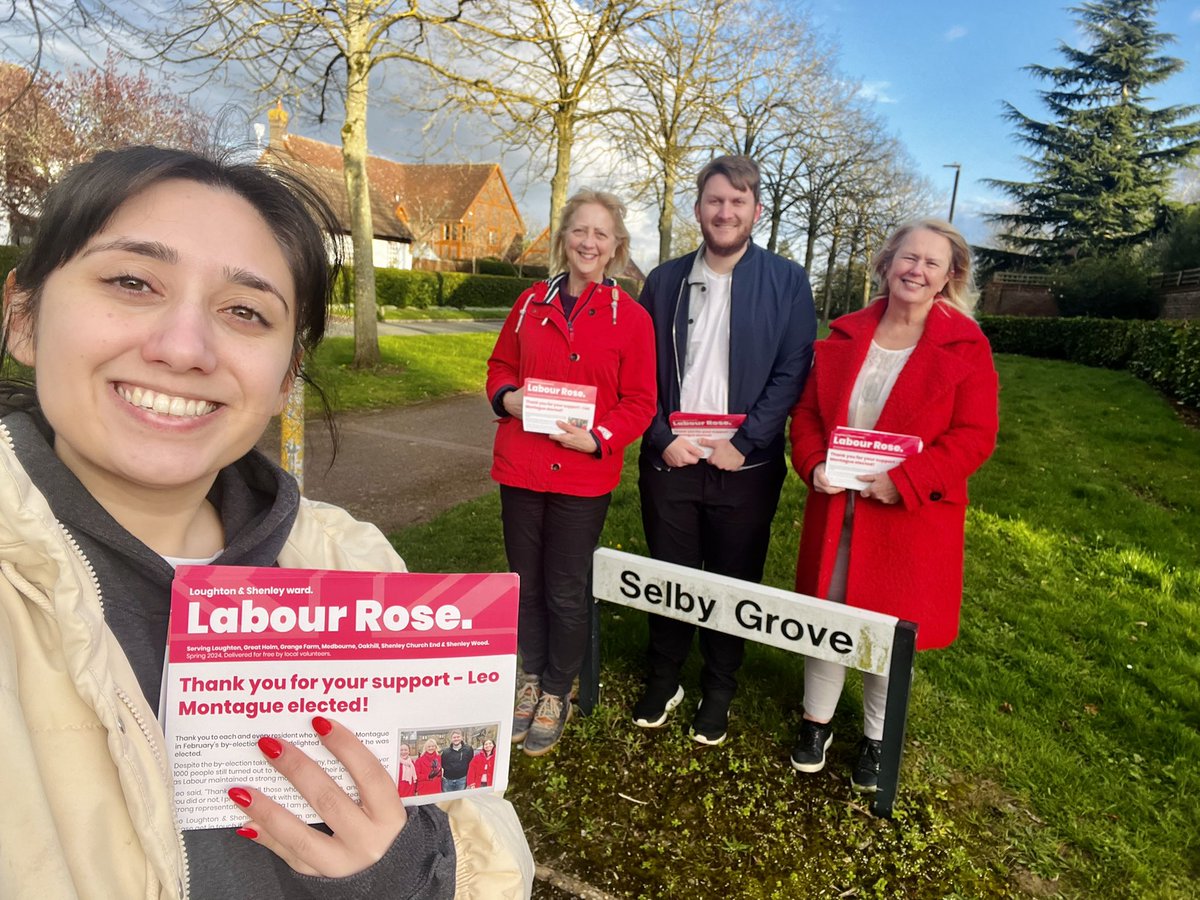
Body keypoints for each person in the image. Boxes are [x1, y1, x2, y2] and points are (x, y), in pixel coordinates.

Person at [0, 146, 533, 899]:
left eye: (245, 311)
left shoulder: (353, 561)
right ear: (23, 316)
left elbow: (490, 845)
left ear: (285, 377)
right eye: (131, 281)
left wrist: (407, 868)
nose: (183, 348)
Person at [788, 218, 999, 791]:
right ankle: (817, 722)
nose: (917, 270)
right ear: (887, 263)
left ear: (949, 277)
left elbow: (976, 435)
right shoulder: (844, 333)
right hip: (837, 507)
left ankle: (880, 737)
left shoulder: (966, 345)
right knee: (826, 616)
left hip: (910, 515)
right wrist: (814, 465)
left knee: (890, 626)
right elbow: (807, 416)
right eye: (908, 258)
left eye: (932, 263)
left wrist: (905, 481)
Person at [634, 155, 816, 745]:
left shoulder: (787, 281)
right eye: (715, 201)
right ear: (698, 209)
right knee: (670, 576)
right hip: (673, 461)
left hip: (746, 466)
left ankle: (719, 686)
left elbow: (793, 371)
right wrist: (663, 438)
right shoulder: (662, 281)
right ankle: (665, 677)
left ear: (756, 211)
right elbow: (636, 374)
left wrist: (745, 442)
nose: (725, 212)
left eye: (737, 202)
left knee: (733, 581)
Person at [487, 190, 656, 757]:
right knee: (524, 583)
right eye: (579, 231)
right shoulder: (529, 302)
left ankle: (558, 688)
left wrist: (599, 437)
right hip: (523, 466)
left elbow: (640, 400)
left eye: (600, 235)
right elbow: (499, 367)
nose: (588, 242)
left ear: (616, 247)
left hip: (583, 474)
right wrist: (506, 398)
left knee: (563, 588)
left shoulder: (631, 318)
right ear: (564, 237)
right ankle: (528, 677)